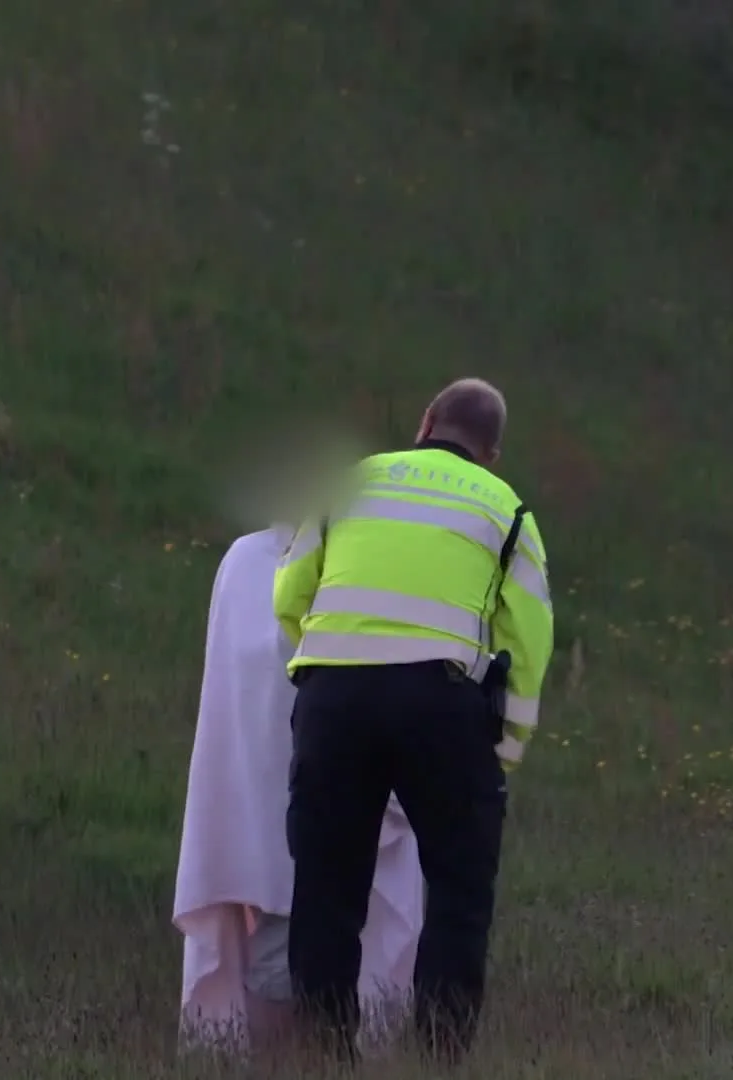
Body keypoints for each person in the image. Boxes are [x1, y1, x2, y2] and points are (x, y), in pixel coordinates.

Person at [273, 377, 555, 1062]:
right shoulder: (507, 510)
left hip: (335, 701)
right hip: (442, 706)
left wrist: (324, 659)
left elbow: (288, 590)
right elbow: (529, 644)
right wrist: (504, 753)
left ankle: (322, 1054)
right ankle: (437, 1056)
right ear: (491, 452)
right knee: (459, 890)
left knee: (326, 885)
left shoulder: (350, 482)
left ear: (427, 422)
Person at [172, 522, 423, 1058]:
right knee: (279, 964)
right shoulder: (245, 564)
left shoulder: (370, 562)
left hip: (349, 802)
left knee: (352, 963)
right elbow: (234, 690)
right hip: (271, 807)